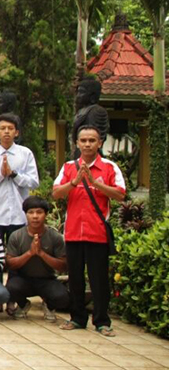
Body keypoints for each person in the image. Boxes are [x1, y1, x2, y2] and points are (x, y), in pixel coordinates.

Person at [53, 125, 125, 336]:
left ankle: (102, 321)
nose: (87, 144)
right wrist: (74, 182)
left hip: (97, 233)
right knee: (75, 277)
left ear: (99, 143)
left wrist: (95, 183)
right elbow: (56, 193)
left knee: (99, 279)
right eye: (83, 140)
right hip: (74, 232)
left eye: (91, 140)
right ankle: (77, 318)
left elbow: (120, 194)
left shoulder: (110, 167)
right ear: (77, 143)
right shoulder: (68, 167)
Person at [0, 113, 40, 244]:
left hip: (19, 215)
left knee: (17, 257)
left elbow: (34, 182)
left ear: (16, 133)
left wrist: (14, 175)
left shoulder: (25, 153)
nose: (6, 132)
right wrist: (0, 175)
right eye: (2, 128)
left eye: (10, 128)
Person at [5, 196, 69, 321]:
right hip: (23, 279)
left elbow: (63, 266)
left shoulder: (54, 237)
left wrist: (41, 253)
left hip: (47, 279)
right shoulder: (17, 236)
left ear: (45, 214)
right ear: (25, 214)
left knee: (63, 298)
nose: (35, 216)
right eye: (31, 212)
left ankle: (49, 305)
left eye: (39, 212)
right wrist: (29, 253)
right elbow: (10, 264)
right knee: (10, 289)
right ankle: (23, 304)